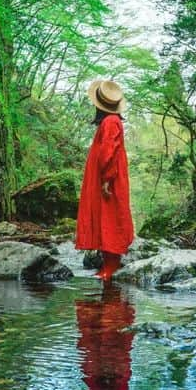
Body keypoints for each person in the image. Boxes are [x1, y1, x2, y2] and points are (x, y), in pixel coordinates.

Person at [76, 77, 134, 281]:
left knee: (110, 217)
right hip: (107, 176)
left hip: (109, 178)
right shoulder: (113, 121)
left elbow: (109, 152)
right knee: (106, 216)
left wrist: (107, 179)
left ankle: (110, 267)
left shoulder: (110, 122)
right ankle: (107, 265)